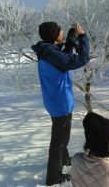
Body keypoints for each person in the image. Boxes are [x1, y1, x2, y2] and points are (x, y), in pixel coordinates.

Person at [31, 21, 90, 186]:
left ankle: (64, 160)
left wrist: (71, 39)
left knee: (61, 137)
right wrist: (83, 37)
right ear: (54, 36)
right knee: (59, 141)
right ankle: (53, 177)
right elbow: (81, 59)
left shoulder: (47, 50)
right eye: (60, 30)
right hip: (60, 104)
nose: (62, 31)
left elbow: (63, 56)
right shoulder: (52, 54)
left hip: (54, 101)